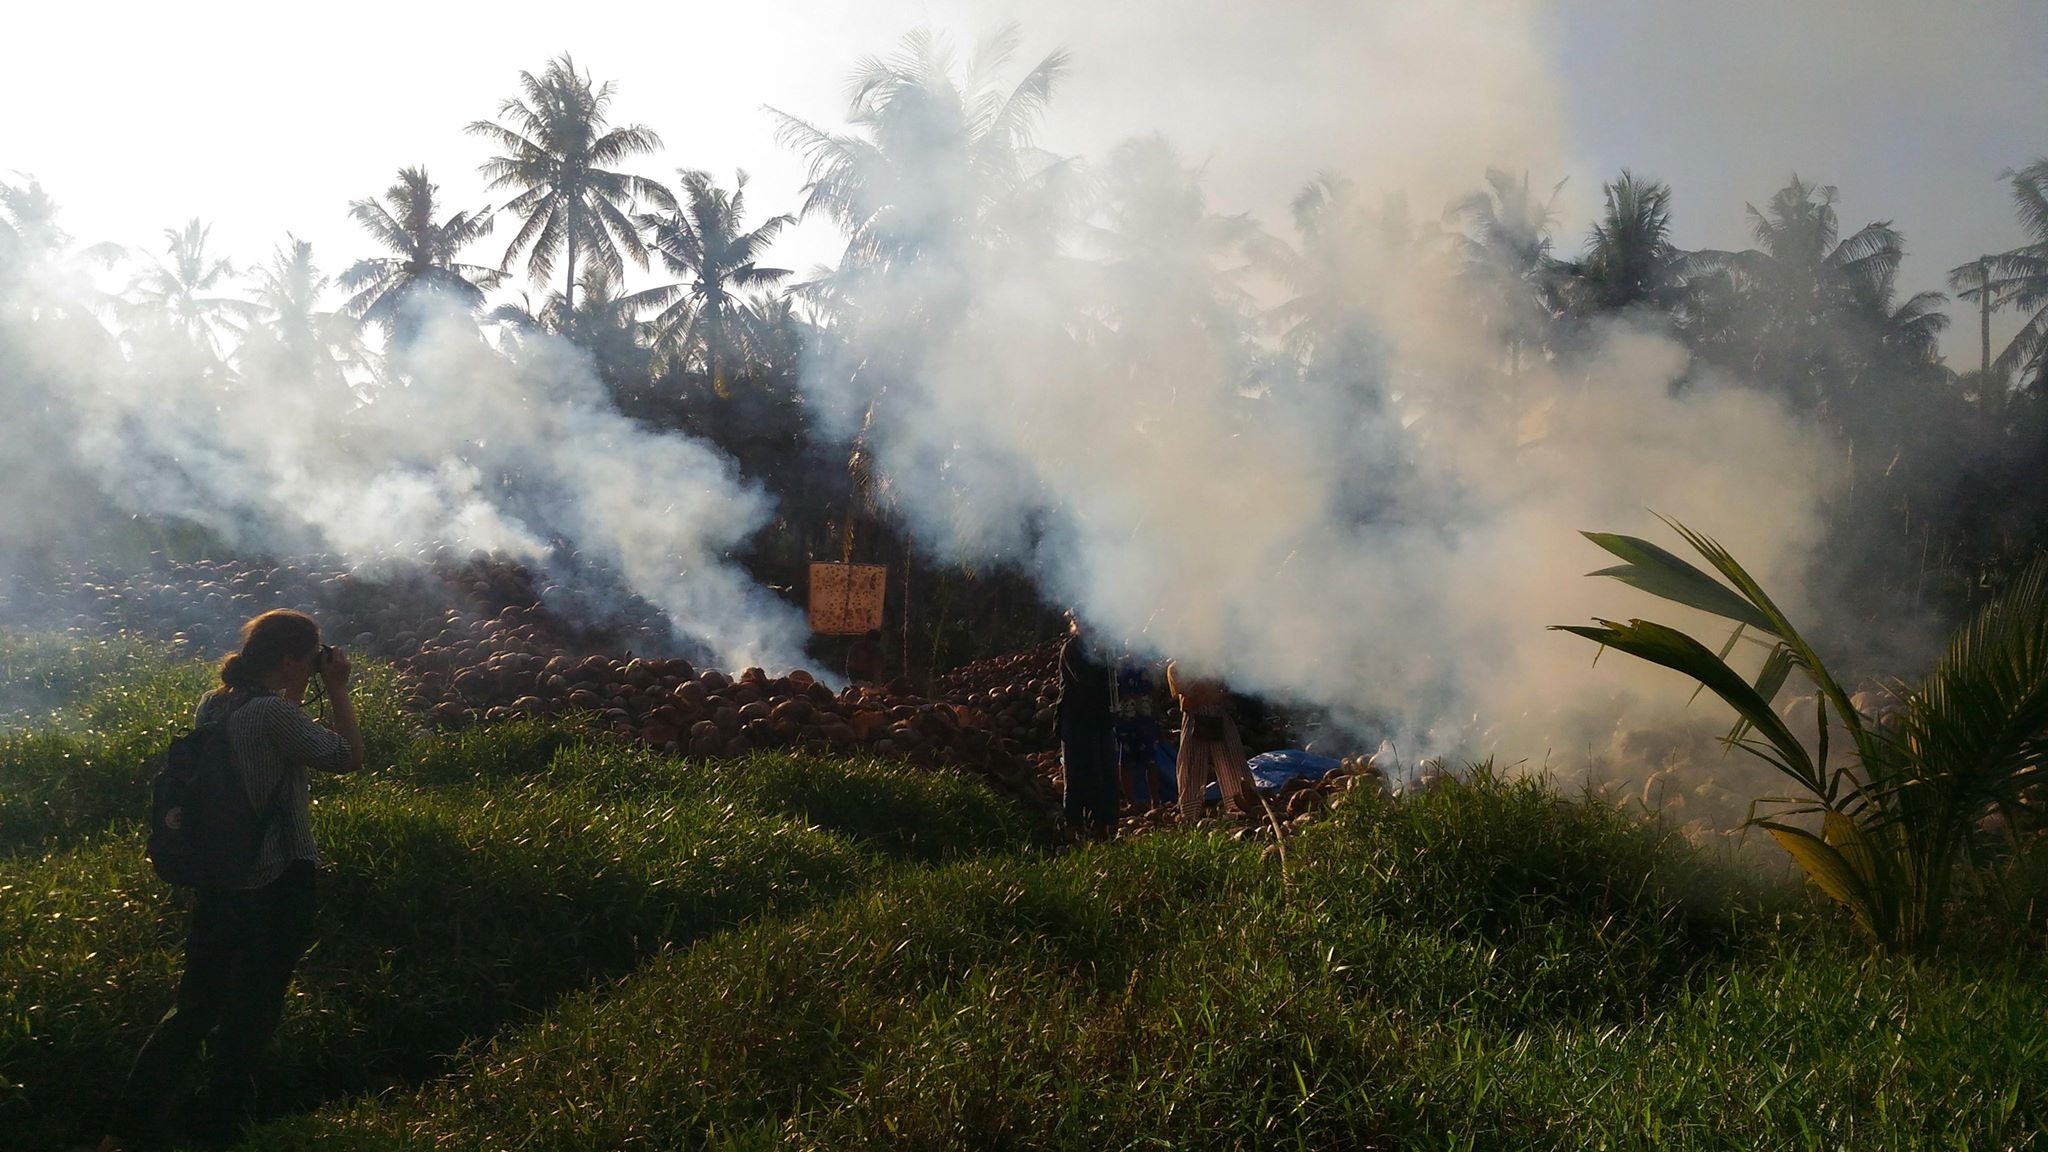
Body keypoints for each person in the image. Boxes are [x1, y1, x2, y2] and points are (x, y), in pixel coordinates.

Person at [102, 609, 364, 1151]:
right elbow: (349, 758)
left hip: (219, 877)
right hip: (275, 879)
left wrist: (300, 685)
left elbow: (268, 740)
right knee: (252, 1013)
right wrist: (337, 689)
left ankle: (125, 1132)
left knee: (193, 1009)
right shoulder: (272, 713)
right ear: (291, 659)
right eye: (310, 658)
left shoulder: (217, 703)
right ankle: (217, 1131)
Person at [1167, 659, 1257, 821]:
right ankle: (1189, 814)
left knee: (1232, 760)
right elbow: (1187, 703)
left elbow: (1222, 694)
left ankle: (1242, 806)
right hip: (1195, 718)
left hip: (1219, 716)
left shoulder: (1216, 662)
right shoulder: (1177, 667)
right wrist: (1207, 693)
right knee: (1191, 764)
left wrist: (1209, 693)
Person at [1054, 614, 1119, 838]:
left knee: (1107, 772)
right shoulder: (1072, 650)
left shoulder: (1106, 649)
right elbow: (1086, 679)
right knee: (1078, 776)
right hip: (1077, 720)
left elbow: (1113, 680)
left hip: (1101, 718)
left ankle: (1105, 826)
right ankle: (1074, 828)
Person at [1113, 654, 1176, 809]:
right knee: (1126, 761)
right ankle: (1132, 802)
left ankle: (1154, 801)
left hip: (1144, 719)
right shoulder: (1116, 667)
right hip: (1127, 720)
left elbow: (1154, 693)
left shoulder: (1147, 667)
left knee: (1149, 761)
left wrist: (1157, 717)